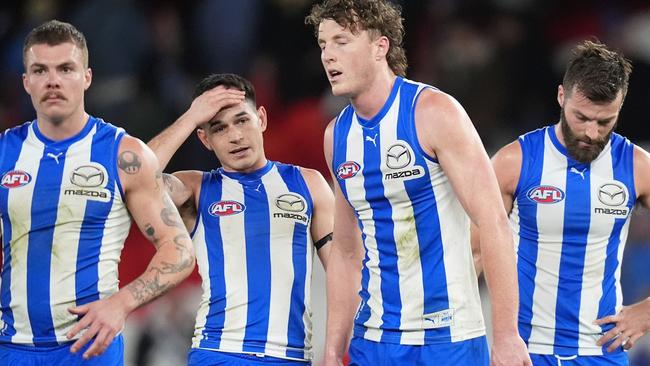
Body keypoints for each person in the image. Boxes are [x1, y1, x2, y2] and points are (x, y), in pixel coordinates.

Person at [305, 1, 531, 365]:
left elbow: (494, 223)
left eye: (341, 42)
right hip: (373, 340)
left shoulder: (434, 113)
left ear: (381, 47)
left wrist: (506, 334)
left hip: (448, 339)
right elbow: (347, 253)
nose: (328, 56)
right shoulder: (337, 136)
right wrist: (333, 352)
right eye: (323, 44)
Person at [0, 20, 195, 365]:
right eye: (40, 70)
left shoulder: (124, 155)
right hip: (12, 348)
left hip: (91, 348)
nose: (53, 80)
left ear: (87, 77)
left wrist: (121, 304)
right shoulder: (4, 153)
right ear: (26, 81)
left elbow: (178, 251)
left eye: (66, 68)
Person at [147, 73, 334, 365]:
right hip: (219, 352)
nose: (235, 136)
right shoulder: (194, 189)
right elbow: (135, 178)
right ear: (204, 139)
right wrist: (191, 117)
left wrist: (333, 352)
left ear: (261, 118)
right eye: (219, 128)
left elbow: (341, 273)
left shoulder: (309, 184)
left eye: (242, 120)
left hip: (292, 356)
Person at [483, 40, 650, 365]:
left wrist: (647, 312)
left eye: (605, 122)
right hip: (526, 349)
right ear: (562, 96)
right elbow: (474, 251)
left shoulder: (637, 167)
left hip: (602, 350)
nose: (591, 132)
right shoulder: (513, 162)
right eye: (582, 117)